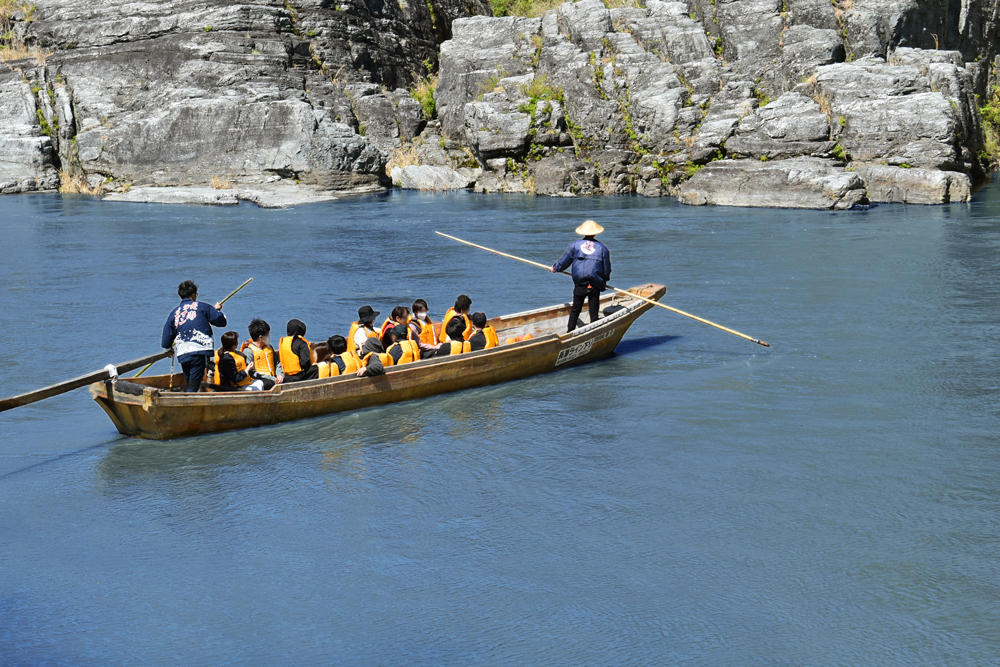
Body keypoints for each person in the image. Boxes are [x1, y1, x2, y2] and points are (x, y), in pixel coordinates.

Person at [161, 279, 227, 392]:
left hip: (183, 352)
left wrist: (168, 348)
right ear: (193, 295)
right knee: (194, 384)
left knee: (190, 380)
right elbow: (220, 321)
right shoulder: (202, 307)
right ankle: (188, 402)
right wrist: (218, 311)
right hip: (199, 350)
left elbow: (166, 339)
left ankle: (189, 396)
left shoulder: (175, 313)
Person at [551, 219, 612, 332]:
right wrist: (604, 281)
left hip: (580, 284)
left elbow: (565, 262)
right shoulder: (603, 249)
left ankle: (570, 332)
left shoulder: (575, 246)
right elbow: (606, 269)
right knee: (594, 312)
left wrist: (555, 268)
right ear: (595, 233)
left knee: (575, 310)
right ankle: (593, 332)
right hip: (595, 284)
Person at [241, 318, 280, 390]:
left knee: (289, 380)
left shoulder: (269, 347)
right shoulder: (248, 351)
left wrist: (280, 375)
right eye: (267, 335)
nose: (269, 337)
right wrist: (272, 378)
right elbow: (251, 373)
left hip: (273, 377)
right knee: (270, 384)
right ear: (261, 337)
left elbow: (277, 363)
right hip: (259, 379)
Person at [279, 318, 318, 383]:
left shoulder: (283, 343)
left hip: (286, 377)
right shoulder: (302, 344)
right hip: (299, 377)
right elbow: (304, 363)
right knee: (317, 369)